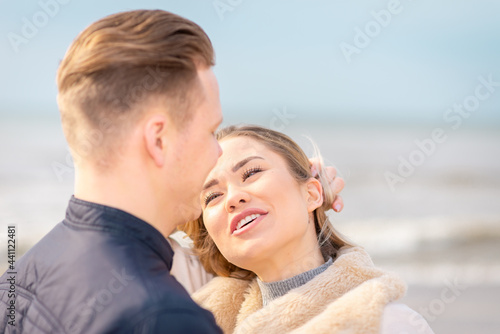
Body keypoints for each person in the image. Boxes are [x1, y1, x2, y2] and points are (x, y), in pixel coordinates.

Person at [0, 10, 345, 333]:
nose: (215, 153)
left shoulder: (20, 276)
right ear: (159, 140)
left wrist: (292, 194)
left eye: (251, 172)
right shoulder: (164, 318)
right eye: (210, 132)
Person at [182, 125, 434, 334]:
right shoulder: (197, 317)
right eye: (212, 196)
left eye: (252, 172)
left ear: (313, 194)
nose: (232, 198)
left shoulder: (386, 323)